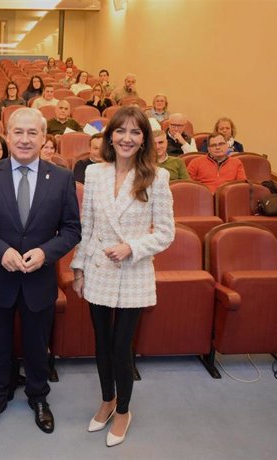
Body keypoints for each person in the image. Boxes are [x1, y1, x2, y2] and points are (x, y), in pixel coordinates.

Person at [0, 107, 81, 436]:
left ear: (44, 137)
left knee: (36, 345)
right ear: (7, 134)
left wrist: (46, 252)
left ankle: (39, 398)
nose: (25, 139)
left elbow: (72, 230)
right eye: (18, 132)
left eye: (33, 133)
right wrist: (1, 251)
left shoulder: (61, 178)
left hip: (39, 280)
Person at [70, 106, 175, 448]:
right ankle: (106, 400)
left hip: (132, 271)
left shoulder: (157, 177)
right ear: (109, 136)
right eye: (121, 131)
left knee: (120, 348)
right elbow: (87, 226)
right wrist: (79, 267)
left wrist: (131, 246)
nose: (127, 138)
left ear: (144, 138)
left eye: (135, 132)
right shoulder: (96, 173)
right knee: (100, 343)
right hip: (99, 269)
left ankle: (124, 410)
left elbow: (166, 233)